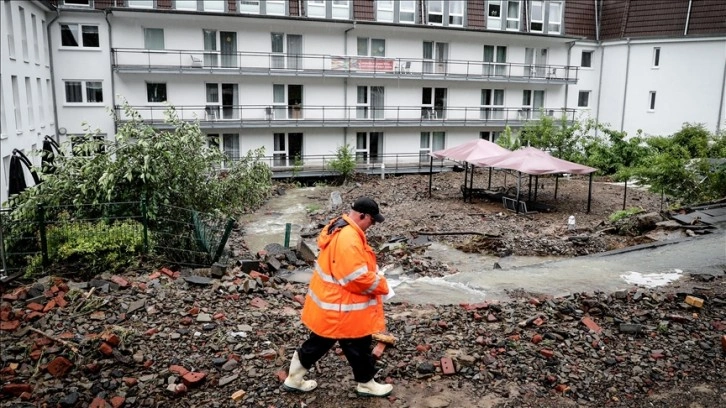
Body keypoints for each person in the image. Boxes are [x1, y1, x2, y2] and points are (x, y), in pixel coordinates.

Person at [282, 196, 393, 397]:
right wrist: (383, 284)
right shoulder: (349, 239)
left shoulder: (339, 226)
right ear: (362, 215)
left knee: (320, 343)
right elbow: (356, 278)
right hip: (343, 307)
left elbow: (345, 269)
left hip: (332, 305)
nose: (373, 224)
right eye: (372, 220)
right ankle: (366, 384)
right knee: (357, 344)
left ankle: (294, 378)